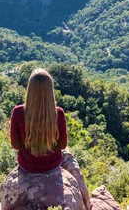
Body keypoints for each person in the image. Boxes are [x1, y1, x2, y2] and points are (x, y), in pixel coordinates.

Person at [10, 67, 91, 209]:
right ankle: (87, 204)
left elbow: (16, 145)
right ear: (50, 90)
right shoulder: (58, 113)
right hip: (52, 166)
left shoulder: (18, 112)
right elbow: (62, 145)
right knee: (71, 159)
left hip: (27, 166)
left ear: (29, 89)